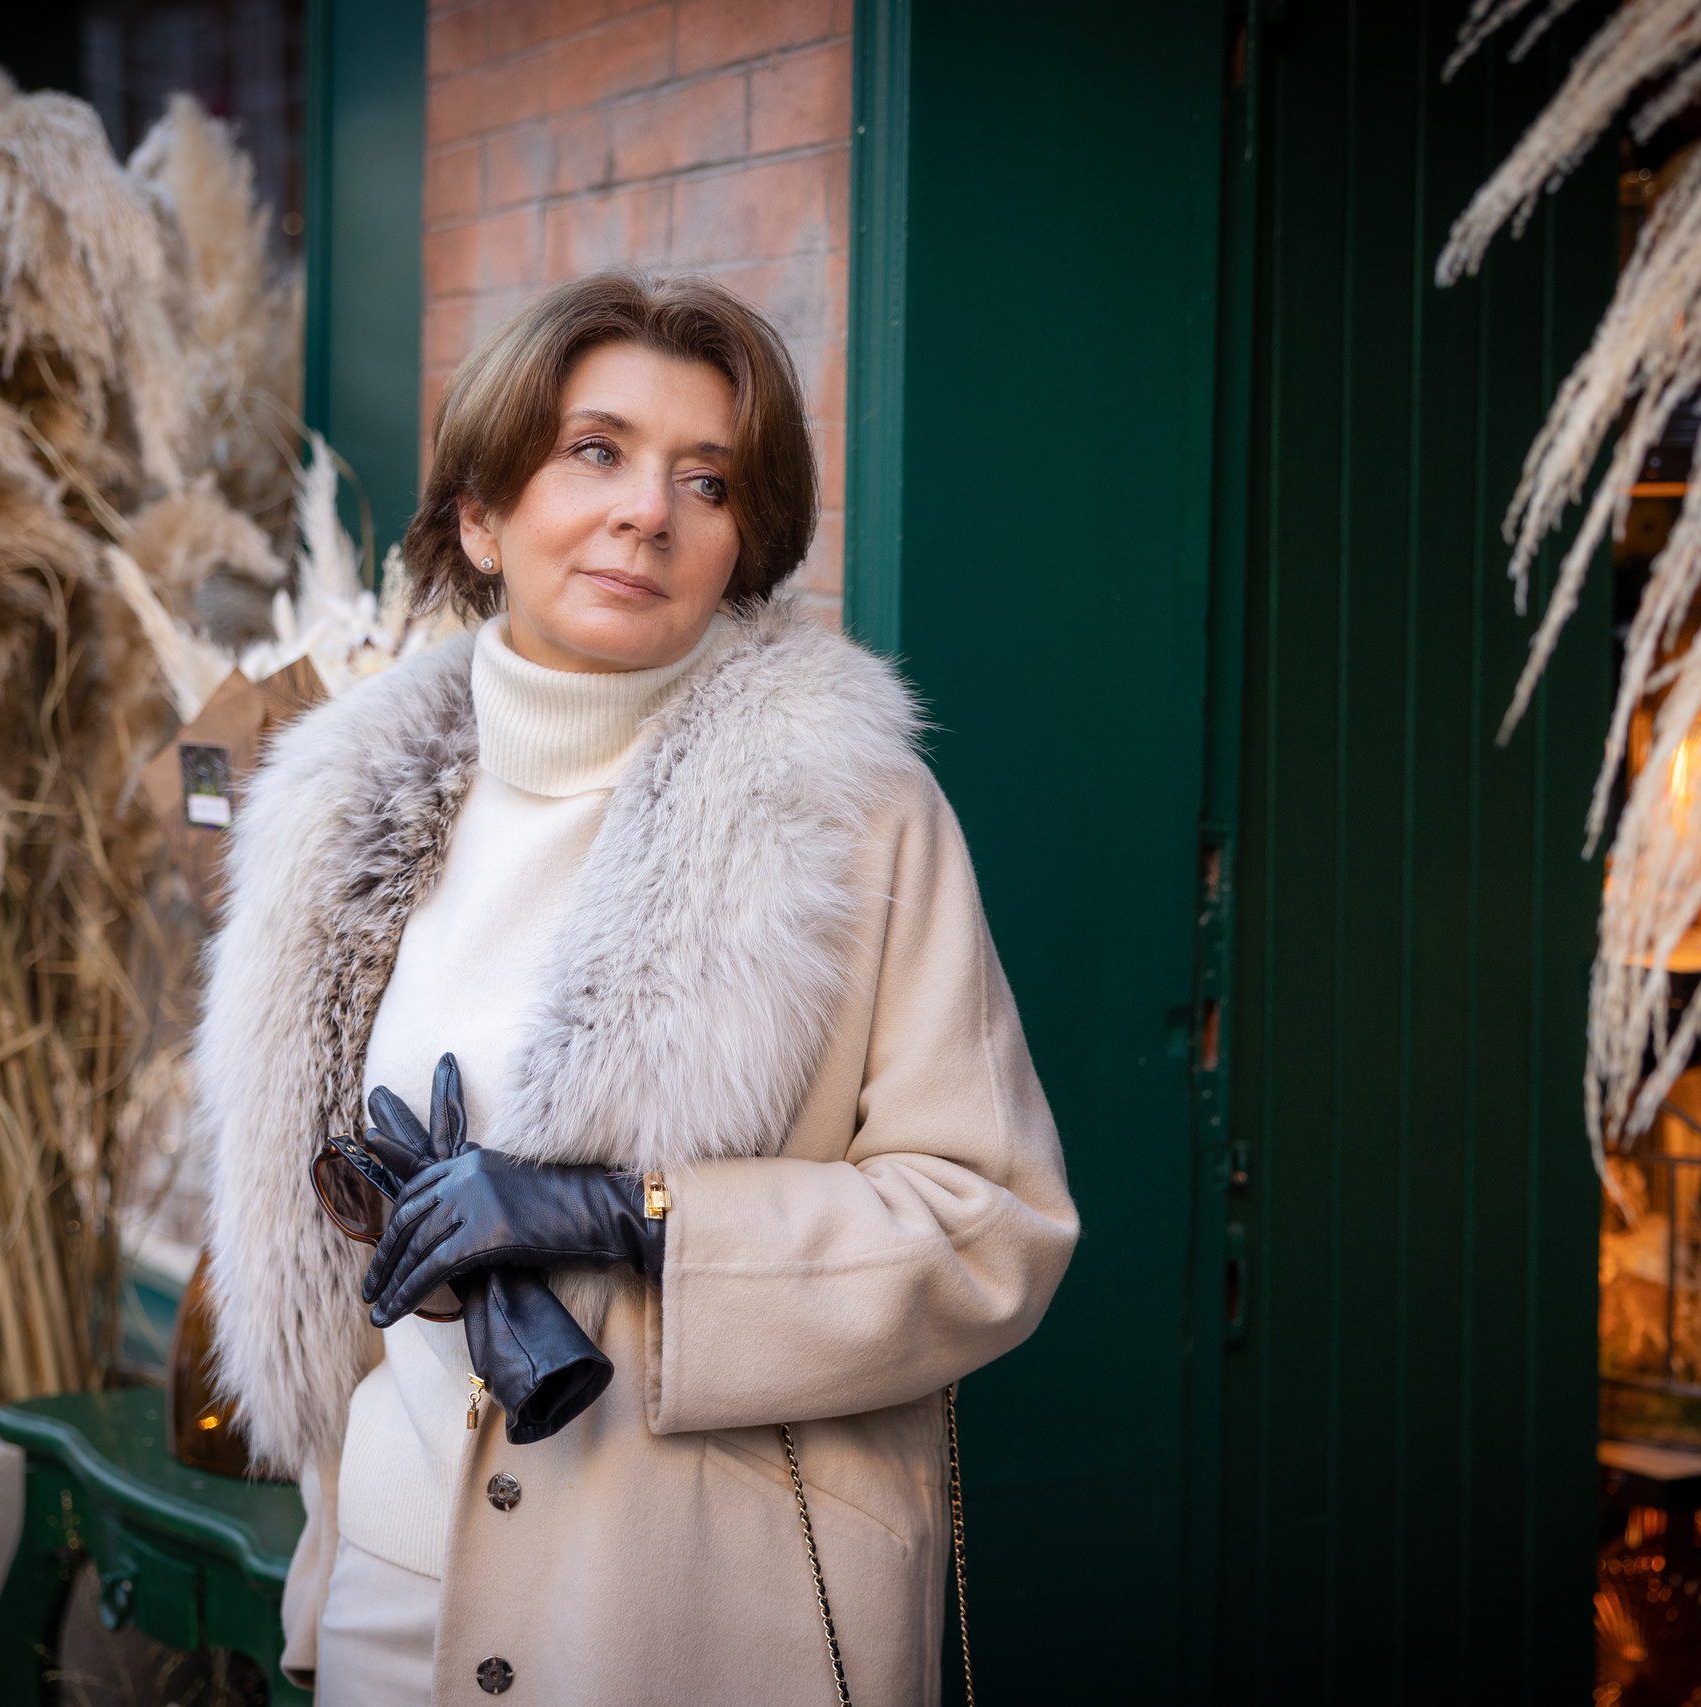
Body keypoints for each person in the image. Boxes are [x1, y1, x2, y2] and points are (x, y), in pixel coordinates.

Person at [196, 271, 1078, 1704]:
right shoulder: (334, 820)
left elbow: (993, 1230)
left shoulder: (850, 816)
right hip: (390, 1609)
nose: (647, 512)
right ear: (481, 513)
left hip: (692, 1621)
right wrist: (332, 1585)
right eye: (592, 452)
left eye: (707, 479)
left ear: (744, 542)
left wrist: (635, 1219)